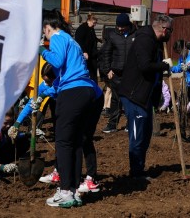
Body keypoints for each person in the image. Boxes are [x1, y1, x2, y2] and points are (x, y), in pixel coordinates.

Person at [40, 15, 104, 207]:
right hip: (86, 91)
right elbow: (66, 70)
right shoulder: (73, 41)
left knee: (63, 141)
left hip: (73, 92)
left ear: (48, 27)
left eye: (44, 30)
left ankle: (65, 190)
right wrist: (47, 91)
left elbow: (57, 62)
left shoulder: (58, 37)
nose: (44, 34)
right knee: (75, 142)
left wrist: (42, 51)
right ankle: (74, 190)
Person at [117, 14, 174, 180]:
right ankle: (135, 174)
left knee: (146, 134)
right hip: (135, 96)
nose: (171, 34)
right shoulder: (144, 40)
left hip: (145, 97)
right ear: (164, 29)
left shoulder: (155, 42)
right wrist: (163, 65)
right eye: (170, 30)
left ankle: (139, 168)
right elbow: (144, 65)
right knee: (137, 135)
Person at [99, 13, 135, 133]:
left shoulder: (136, 34)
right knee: (116, 99)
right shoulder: (112, 35)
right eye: (118, 26)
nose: (119, 28)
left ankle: (130, 123)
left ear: (128, 25)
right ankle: (112, 124)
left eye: (122, 26)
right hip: (116, 73)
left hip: (131, 73)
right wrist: (107, 70)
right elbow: (106, 53)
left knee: (131, 99)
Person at [74, 13, 99, 80]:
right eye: (94, 23)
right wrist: (84, 51)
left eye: (95, 23)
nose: (95, 25)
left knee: (93, 73)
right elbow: (79, 40)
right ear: (89, 21)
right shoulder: (82, 28)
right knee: (88, 72)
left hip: (92, 54)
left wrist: (98, 40)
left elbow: (92, 38)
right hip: (86, 55)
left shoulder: (91, 28)